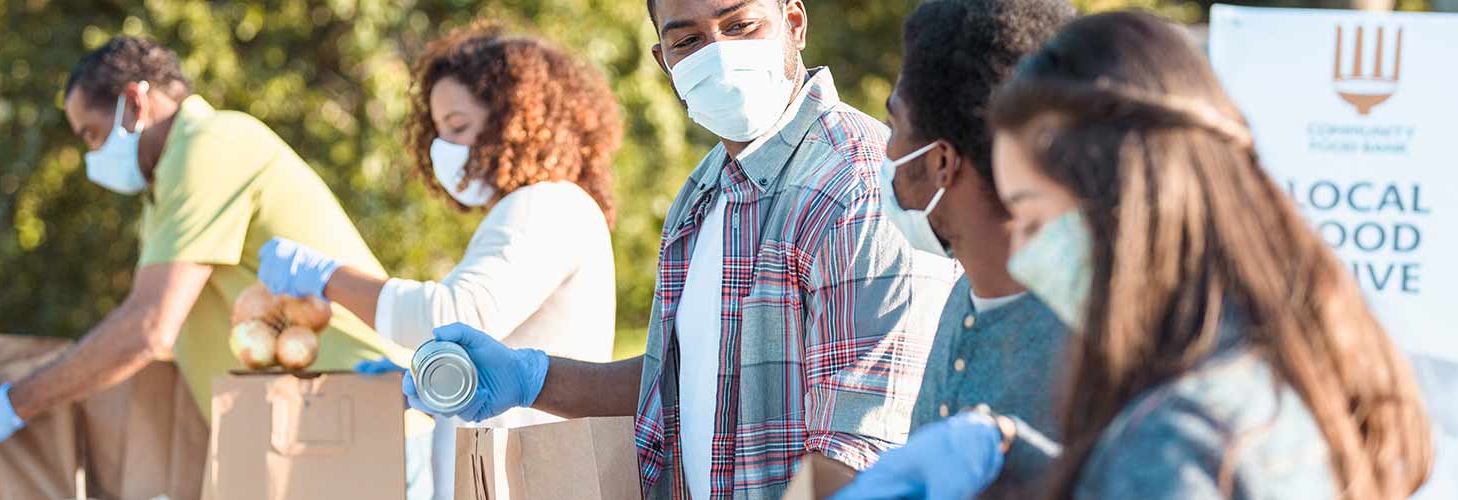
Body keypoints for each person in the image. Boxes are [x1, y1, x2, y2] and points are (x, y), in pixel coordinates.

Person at [395, 0, 957, 498]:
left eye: (739, 24)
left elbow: (863, 452)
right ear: (665, 61)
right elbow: (680, 383)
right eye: (688, 40)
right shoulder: (705, 193)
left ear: (793, 22)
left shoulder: (857, 187)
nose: (717, 53)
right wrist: (531, 377)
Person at [879, 12, 1434, 499]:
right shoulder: (1262, 365)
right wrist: (1011, 459)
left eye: (1033, 218)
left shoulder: (1183, 434)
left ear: (1123, 199)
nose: (1022, 253)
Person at [0, 36, 426, 492]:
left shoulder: (209, 144)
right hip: (307, 428)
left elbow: (148, 328)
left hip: (360, 417)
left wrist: (11, 405)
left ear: (135, 102)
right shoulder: (162, 189)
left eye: (94, 136)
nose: (94, 157)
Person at [255, 27, 621, 428]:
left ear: (516, 118)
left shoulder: (545, 205)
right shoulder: (540, 207)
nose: (443, 148)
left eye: (458, 126)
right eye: (439, 131)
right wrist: (430, 385)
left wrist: (327, 277)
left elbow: (456, 313)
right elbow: (496, 351)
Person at [826, 1, 1073, 498]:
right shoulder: (963, 297)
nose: (887, 152)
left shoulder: (1086, 334)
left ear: (942, 162)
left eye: (895, 126)